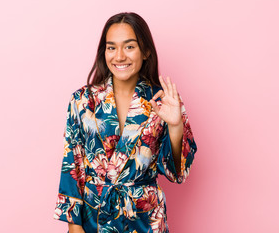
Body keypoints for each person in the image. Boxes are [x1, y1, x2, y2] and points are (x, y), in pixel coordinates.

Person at [53, 12, 197, 233]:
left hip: (145, 220)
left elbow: (177, 173)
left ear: (146, 51)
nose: (119, 56)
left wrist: (176, 126)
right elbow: (72, 164)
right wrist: (74, 225)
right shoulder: (82, 101)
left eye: (129, 47)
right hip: (95, 218)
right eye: (111, 48)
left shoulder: (162, 101)